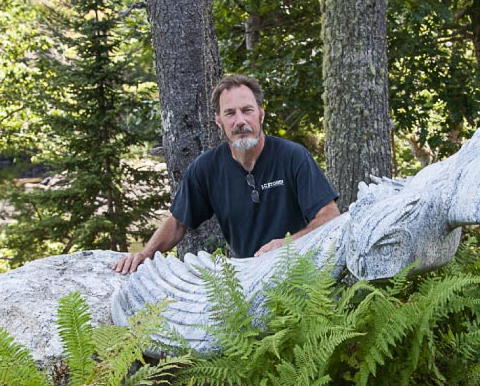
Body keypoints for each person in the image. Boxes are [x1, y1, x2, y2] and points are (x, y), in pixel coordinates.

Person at [112, 74, 340, 275]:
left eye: (247, 110)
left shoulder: (293, 157)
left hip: (301, 274)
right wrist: (145, 254)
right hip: (246, 281)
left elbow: (329, 216)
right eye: (230, 113)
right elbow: (178, 223)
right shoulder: (206, 168)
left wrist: (288, 245)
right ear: (218, 121)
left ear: (261, 114)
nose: (240, 121)